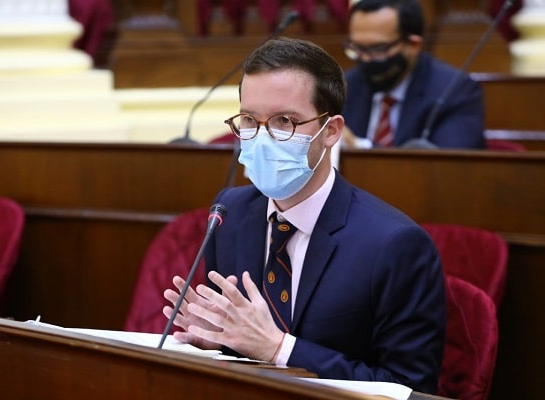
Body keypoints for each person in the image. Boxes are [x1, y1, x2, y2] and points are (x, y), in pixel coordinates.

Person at [163, 36, 446, 394]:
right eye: (249, 119)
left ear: (331, 132)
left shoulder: (395, 245)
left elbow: (410, 389)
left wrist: (280, 349)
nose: (262, 137)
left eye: (284, 121)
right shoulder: (230, 212)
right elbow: (242, 347)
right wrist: (220, 341)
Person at [341, 0, 486, 149]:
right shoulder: (344, 87)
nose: (365, 59)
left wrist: (359, 146)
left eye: (378, 49)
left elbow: (450, 160)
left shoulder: (455, 92)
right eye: (357, 48)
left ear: (413, 45)